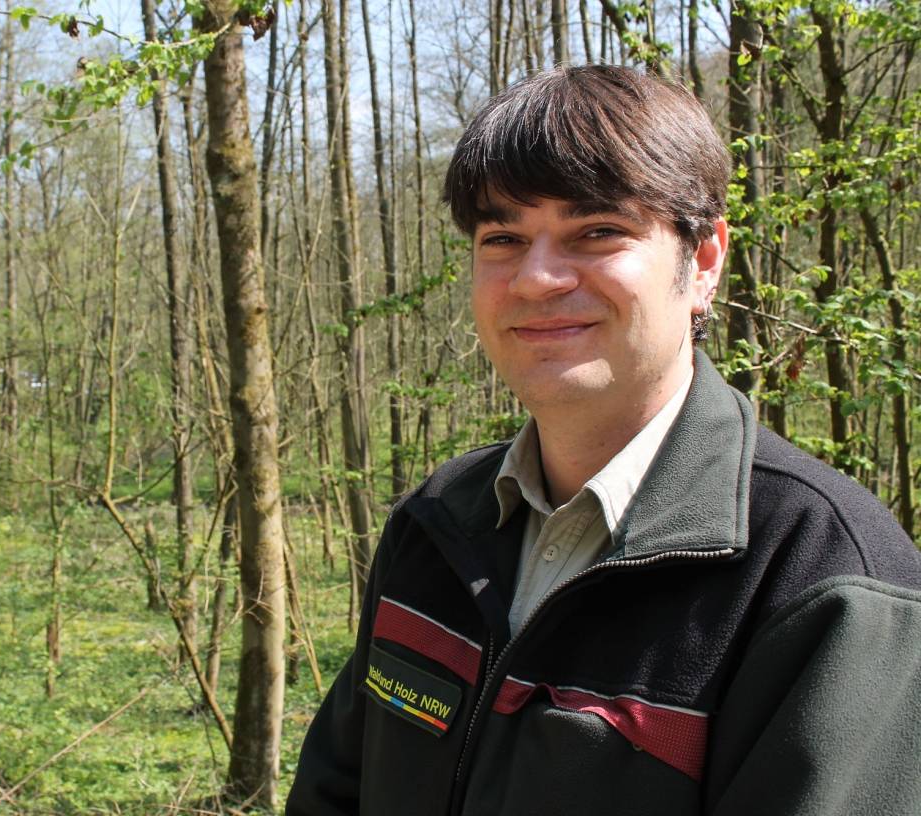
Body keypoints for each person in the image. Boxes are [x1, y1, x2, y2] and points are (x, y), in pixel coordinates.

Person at [285, 65, 921, 816]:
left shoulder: (824, 579)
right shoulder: (435, 524)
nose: (537, 278)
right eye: (503, 238)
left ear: (704, 260)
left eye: (597, 232)